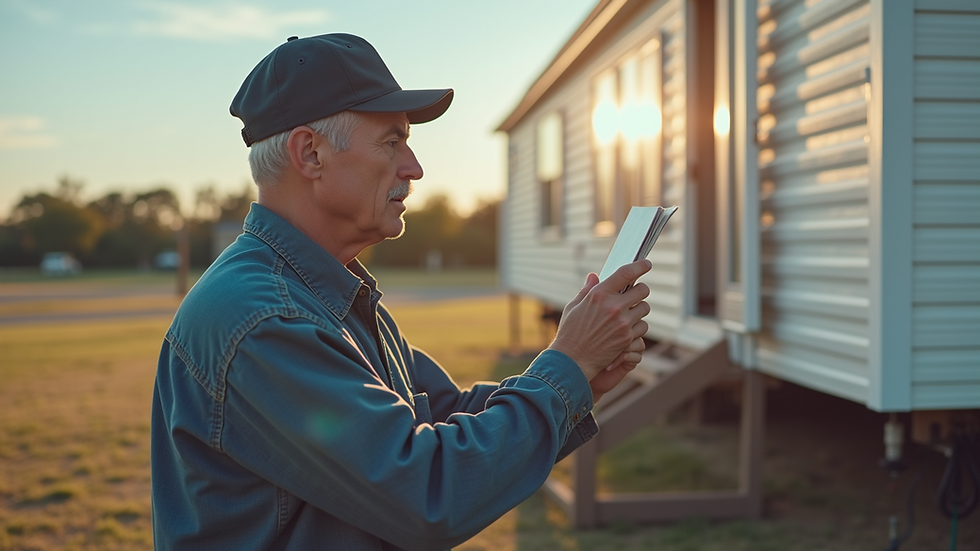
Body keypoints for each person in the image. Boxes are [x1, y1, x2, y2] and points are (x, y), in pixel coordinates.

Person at [150, 33, 652, 551]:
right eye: (391, 142)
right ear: (311, 153)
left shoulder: (326, 293)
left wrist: (580, 374)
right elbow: (428, 491)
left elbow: (444, 416)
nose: (414, 168)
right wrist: (565, 366)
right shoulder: (265, 320)